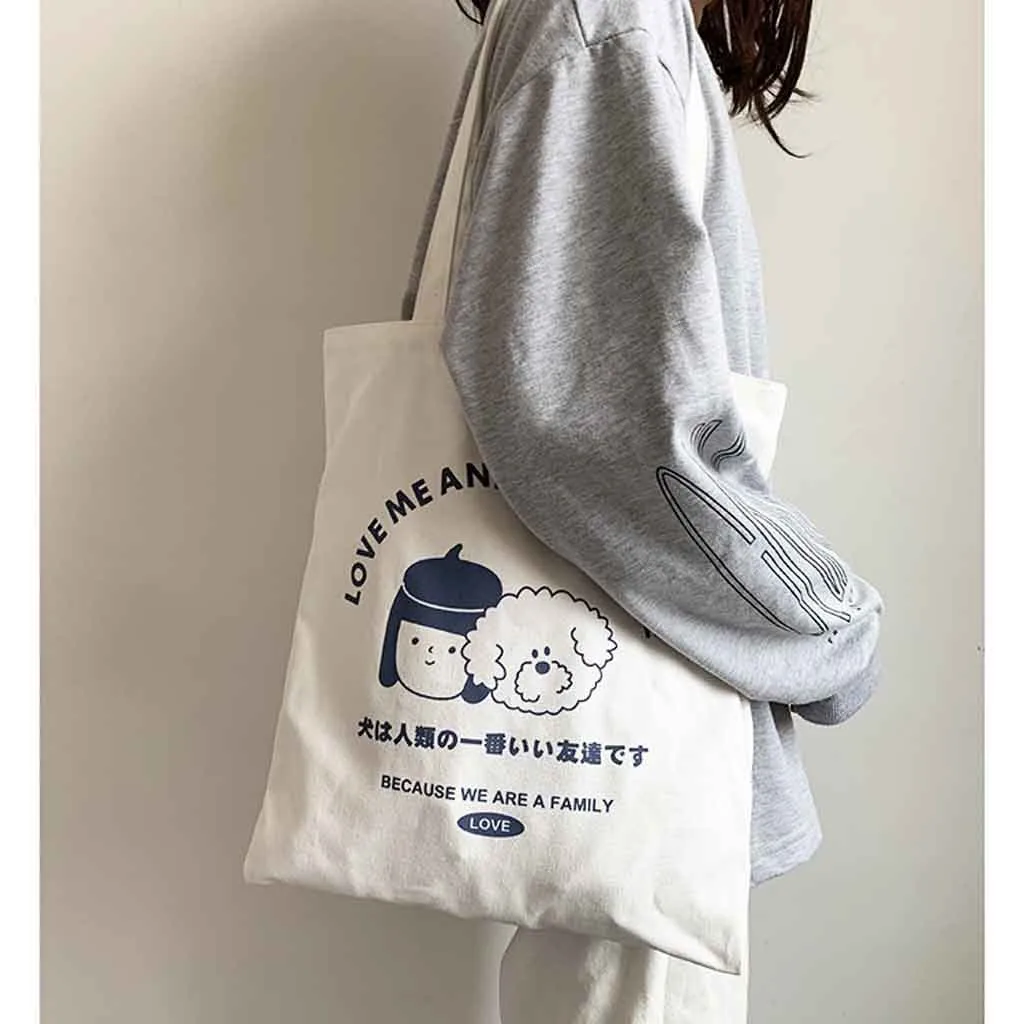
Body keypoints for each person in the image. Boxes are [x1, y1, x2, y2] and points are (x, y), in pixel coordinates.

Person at [401, 0, 885, 1019]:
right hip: (650, 769)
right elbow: (612, 442)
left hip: (631, 742)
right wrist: (829, 630)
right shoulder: (609, 22)